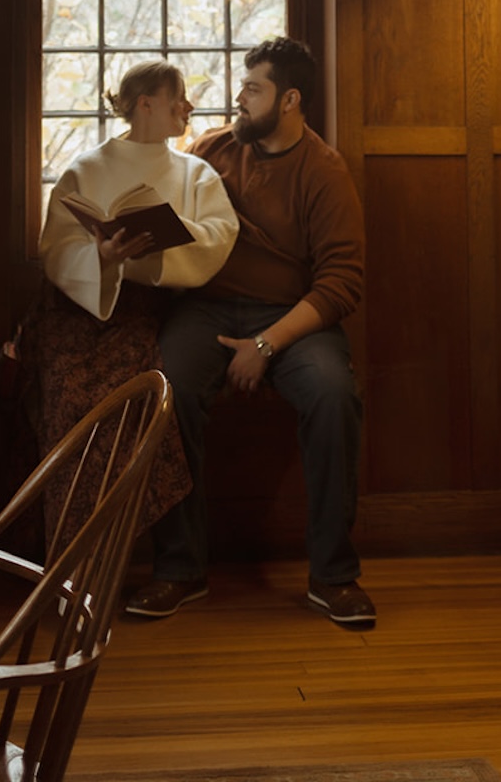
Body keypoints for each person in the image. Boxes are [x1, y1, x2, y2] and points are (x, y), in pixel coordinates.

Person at [124, 36, 373, 628]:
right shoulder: (212, 151)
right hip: (207, 310)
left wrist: (266, 345)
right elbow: (163, 210)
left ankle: (333, 576)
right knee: (166, 389)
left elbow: (342, 283)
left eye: (253, 88)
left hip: (292, 317)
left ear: (288, 100)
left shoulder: (324, 171)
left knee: (335, 394)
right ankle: (179, 570)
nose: (238, 97)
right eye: (242, 85)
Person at [24, 60, 239, 546]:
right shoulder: (85, 169)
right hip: (76, 312)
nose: (188, 107)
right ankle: (71, 557)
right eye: (177, 99)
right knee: (68, 397)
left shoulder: (195, 174)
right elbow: (56, 247)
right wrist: (100, 258)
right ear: (146, 104)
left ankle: (116, 550)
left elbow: (218, 235)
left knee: (133, 403)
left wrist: (154, 251)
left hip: (148, 313)